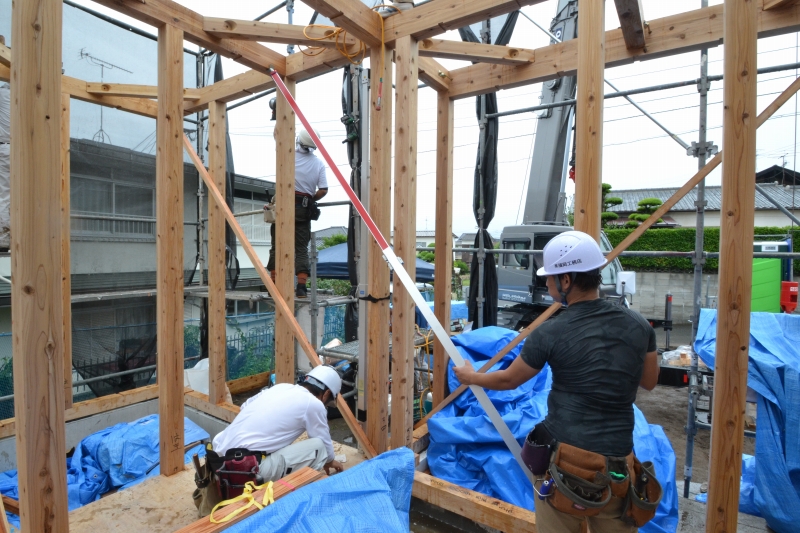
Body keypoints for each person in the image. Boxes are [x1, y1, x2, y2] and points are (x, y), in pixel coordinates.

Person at [454, 230, 659, 533]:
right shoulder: (639, 325)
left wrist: (471, 377)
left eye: (550, 278)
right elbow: (650, 382)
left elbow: (511, 380)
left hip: (567, 466)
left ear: (567, 280)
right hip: (618, 467)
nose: (547, 283)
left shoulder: (551, 332)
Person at [211, 365, 344, 483]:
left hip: (218, 461)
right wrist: (329, 461)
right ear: (326, 394)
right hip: (245, 470)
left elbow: (245, 406)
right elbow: (324, 445)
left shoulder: (282, 387)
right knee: (318, 447)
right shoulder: (314, 404)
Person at [267, 128, 328, 298]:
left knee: (277, 246)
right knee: (301, 248)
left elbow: (277, 135)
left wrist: (277, 117)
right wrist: (310, 199)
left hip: (282, 207)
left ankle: (273, 284)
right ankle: (301, 287)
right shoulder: (318, 163)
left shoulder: (287, 154)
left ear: (298, 140)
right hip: (302, 209)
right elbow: (323, 190)